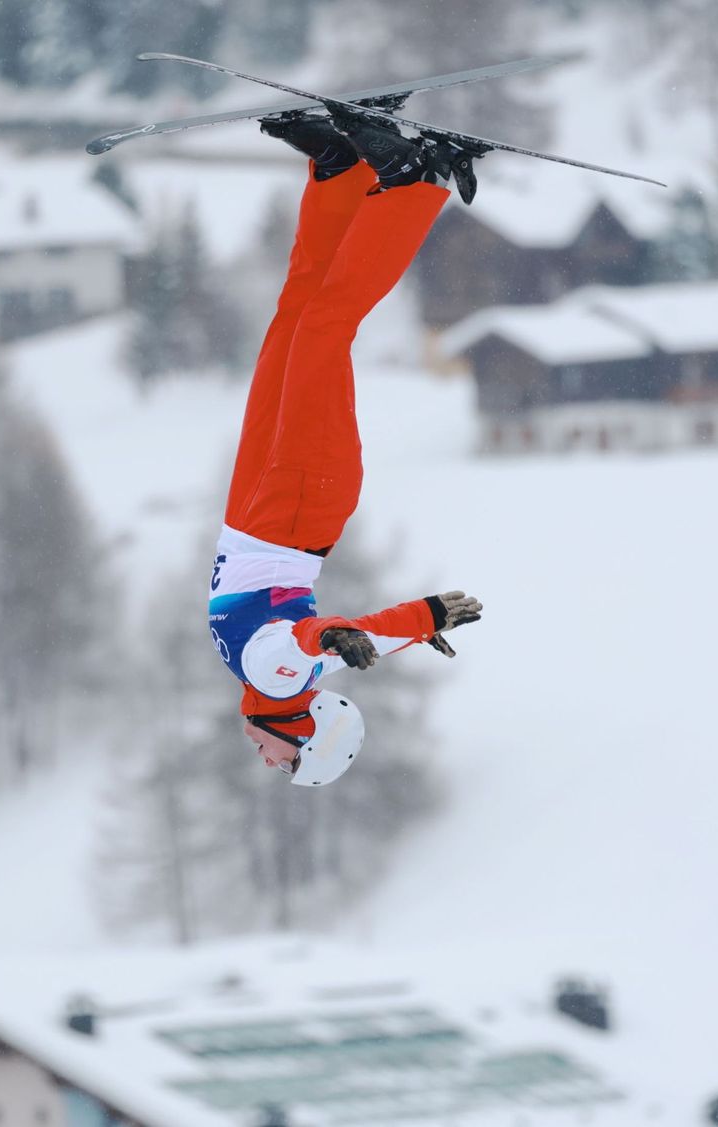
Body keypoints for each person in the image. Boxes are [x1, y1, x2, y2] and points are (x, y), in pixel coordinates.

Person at [208, 106, 486, 788]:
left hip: (262, 509)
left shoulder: (284, 676)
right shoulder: (277, 677)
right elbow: (314, 641)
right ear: (306, 734)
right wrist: (341, 632)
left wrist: (417, 620)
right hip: (295, 505)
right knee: (325, 328)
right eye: (283, 762)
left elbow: (342, 642)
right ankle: (414, 181)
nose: (265, 758)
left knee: (296, 319)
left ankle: (340, 170)